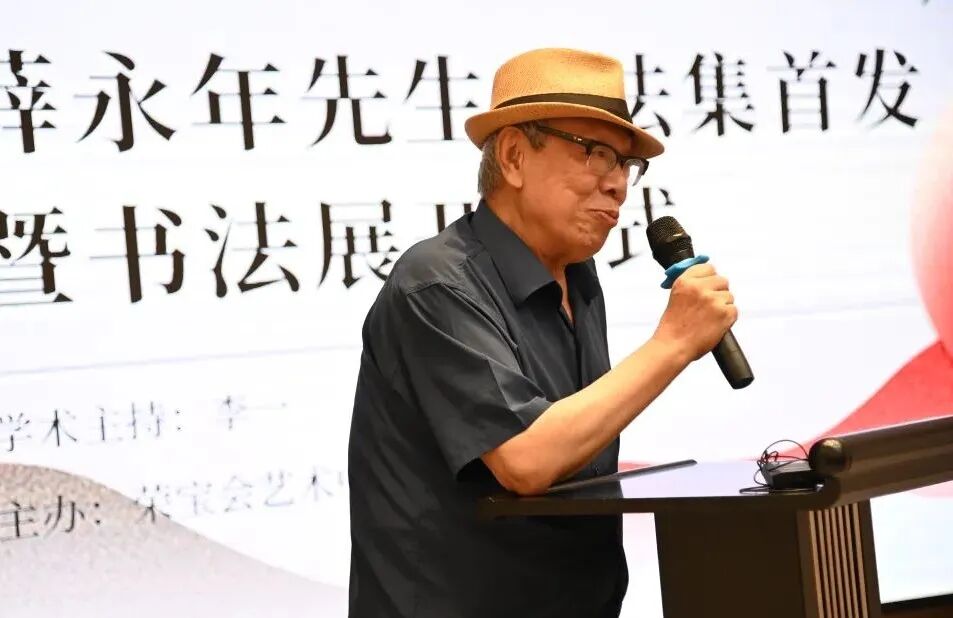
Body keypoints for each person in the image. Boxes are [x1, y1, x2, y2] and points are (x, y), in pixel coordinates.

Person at [347, 48, 737, 618]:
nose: (617, 186)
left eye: (626, 164)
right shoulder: (437, 284)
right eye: (594, 153)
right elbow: (526, 459)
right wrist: (673, 343)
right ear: (513, 157)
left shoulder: (578, 277)